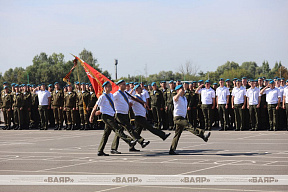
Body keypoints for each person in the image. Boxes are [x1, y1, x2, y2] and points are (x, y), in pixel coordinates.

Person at [89, 81, 137, 156]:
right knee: (118, 129)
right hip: (106, 117)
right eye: (109, 86)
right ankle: (129, 141)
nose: (111, 87)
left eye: (110, 86)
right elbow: (95, 107)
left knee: (106, 134)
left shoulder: (111, 95)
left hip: (111, 116)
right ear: (105, 88)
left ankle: (100, 150)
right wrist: (91, 116)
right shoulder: (102, 97)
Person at [169, 84, 211, 155]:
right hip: (178, 117)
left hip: (183, 116)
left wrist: (199, 88)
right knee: (189, 126)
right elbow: (175, 98)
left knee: (177, 134)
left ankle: (172, 150)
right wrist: (179, 92)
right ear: (178, 90)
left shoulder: (184, 98)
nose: (183, 90)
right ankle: (202, 133)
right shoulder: (176, 97)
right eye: (181, 89)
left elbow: (194, 94)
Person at [111, 80, 150, 154]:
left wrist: (143, 102)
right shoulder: (116, 94)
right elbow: (110, 101)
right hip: (119, 114)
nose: (125, 85)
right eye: (123, 84)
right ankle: (141, 142)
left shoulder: (125, 93)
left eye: (125, 84)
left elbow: (132, 99)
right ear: (119, 85)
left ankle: (114, 148)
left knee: (119, 131)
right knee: (129, 128)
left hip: (125, 114)